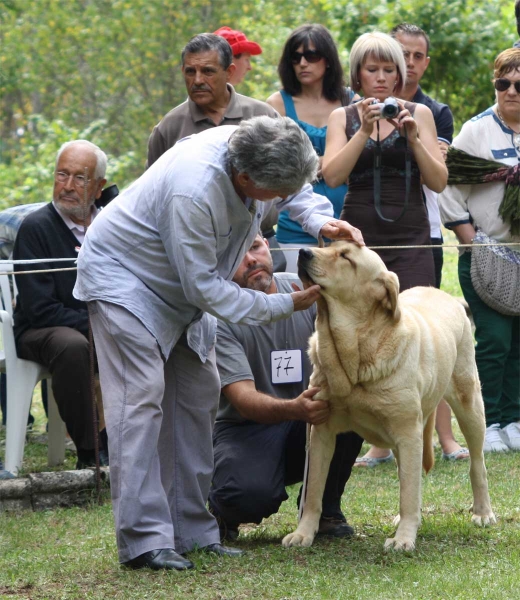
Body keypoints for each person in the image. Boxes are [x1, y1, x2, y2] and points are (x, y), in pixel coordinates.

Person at [74, 116, 364, 571]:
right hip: (125, 279)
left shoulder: (262, 143)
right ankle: (144, 541)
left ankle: (192, 530)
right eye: (272, 192)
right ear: (246, 180)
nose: (277, 201)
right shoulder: (194, 190)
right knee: (140, 403)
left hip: (179, 286)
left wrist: (322, 222)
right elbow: (205, 290)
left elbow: (295, 192)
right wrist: (283, 305)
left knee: (196, 396)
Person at [322, 31, 448, 466]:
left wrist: (411, 135)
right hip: (357, 240)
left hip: (410, 234)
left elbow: (439, 181)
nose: (380, 77)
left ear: (400, 74)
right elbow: (332, 175)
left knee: (413, 330)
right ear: (357, 74)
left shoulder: (422, 114)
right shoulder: (342, 117)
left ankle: (424, 431)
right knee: (355, 329)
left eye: (388, 69)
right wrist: (363, 129)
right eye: (371, 69)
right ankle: (371, 431)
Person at [209, 234, 363, 540]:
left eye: (253, 247)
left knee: (351, 405)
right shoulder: (219, 317)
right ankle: (222, 509)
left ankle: (323, 511)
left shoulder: (305, 287)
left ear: (267, 245)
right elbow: (243, 400)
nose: (250, 260)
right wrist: (295, 408)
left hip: (309, 420)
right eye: (236, 256)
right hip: (245, 429)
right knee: (247, 496)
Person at [385, 23, 468, 463]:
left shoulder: (436, 110)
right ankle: (381, 440)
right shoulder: (365, 109)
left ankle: (444, 436)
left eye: (418, 56)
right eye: (403, 54)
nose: (410, 63)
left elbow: (438, 171)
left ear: (426, 62)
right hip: (376, 232)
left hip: (425, 229)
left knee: (426, 334)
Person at [13, 140, 116, 469]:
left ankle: (132, 441)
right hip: (42, 331)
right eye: (62, 175)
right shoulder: (36, 227)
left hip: (106, 326)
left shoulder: (113, 225)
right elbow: (39, 309)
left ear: (99, 186)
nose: (68, 186)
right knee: (73, 346)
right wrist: (100, 326)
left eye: (80, 178)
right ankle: (91, 453)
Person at [147, 32, 285, 271]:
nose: (198, 80)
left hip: (260, 240)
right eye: (190, 72)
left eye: (208, 71)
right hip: (198, 250)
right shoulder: (169, 127)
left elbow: (288, 182)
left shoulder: (263, 116)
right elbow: (154, 199)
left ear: (229, 72)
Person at [439, 48, 520, 453]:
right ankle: (489, 422)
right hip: (487, 254)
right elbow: (451, 191)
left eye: (519, 84)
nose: (511, 91)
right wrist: (473, 243)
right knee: (494, 340)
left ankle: (515, 419)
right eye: (503, 83)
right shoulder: (475, 131)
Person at [266, 24, 355, 273]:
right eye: (296, 57)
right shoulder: (277, 104)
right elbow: (275, 166)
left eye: (311, 56)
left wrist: (322, 165)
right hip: (295, 226)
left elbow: (363, 162)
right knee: (298, 301)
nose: (303, 63)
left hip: (349, 222)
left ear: (328, 60)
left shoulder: (352, 101)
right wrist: (333, 164)